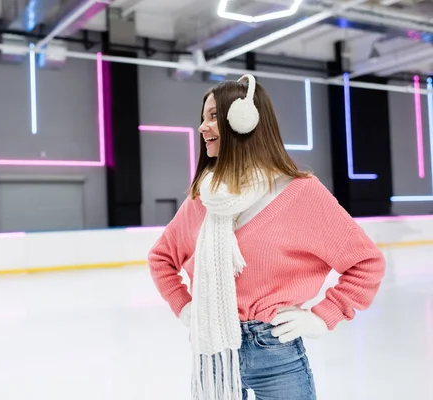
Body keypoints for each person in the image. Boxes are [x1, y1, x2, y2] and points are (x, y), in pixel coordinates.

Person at [147, 74, 386, 400]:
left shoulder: (300, 193)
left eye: (214, 116)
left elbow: (366, 263)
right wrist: (186, 307)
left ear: (245, 120)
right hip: (213, 352)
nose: (202, 127)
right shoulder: (203, 199)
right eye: (203, 118)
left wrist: (322, 317)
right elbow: (161, 258)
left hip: (275, 351)